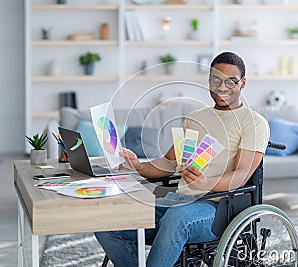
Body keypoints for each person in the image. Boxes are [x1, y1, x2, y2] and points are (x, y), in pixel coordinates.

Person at [94, 51, 270, 267]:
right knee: (107, 224)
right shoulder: (195, 118)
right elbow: (168, 164)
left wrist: (205, 183)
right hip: (178, 201)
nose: (222, 87)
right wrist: (137, 166)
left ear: (242, 83)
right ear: (209, 81)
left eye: (231, 82)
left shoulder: (253, 122)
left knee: (176, 218)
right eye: (216, 80)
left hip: (218, 208)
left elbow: (241, 176)